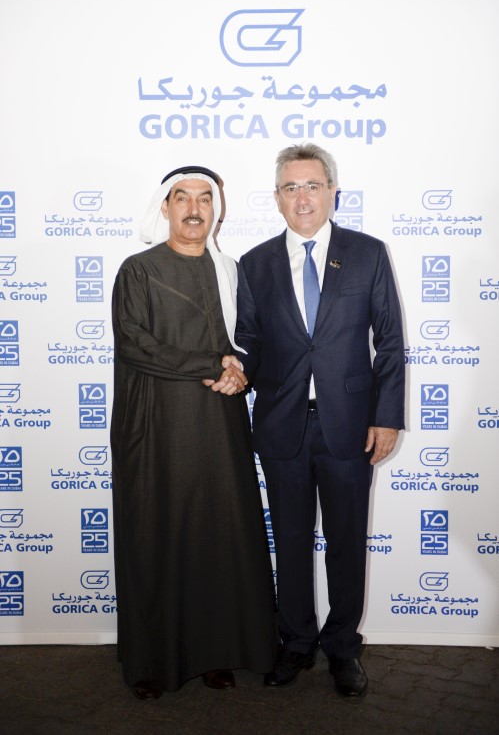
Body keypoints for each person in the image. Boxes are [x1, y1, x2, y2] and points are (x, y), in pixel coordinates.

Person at [235, 144, 405, 697]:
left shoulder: (368, 253)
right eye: (291, 187)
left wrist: (386, 417)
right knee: (288, 541)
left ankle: (342, 648)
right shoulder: (254, 264)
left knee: (346, 542)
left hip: (350, 426)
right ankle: (296, 642)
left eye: (312, 185)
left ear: (333, 192)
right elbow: (250, 340)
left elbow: (390, 342)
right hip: (281, 426)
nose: (302, 197)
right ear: (276, 198)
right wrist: (235, 369)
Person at [110, 165, 276, 699]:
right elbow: (134, 343)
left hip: (219, 425)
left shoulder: (230, 270)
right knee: (156, 532)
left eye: (205, 199)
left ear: (216, 210)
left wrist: (239, 370)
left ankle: (216, 654)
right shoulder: (138, 270)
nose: (193, 208)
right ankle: (152, 662)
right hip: (154, 425)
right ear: (165, 207)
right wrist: (211, 364)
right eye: (182, 198)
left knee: (218, 535)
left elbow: (248, 336)